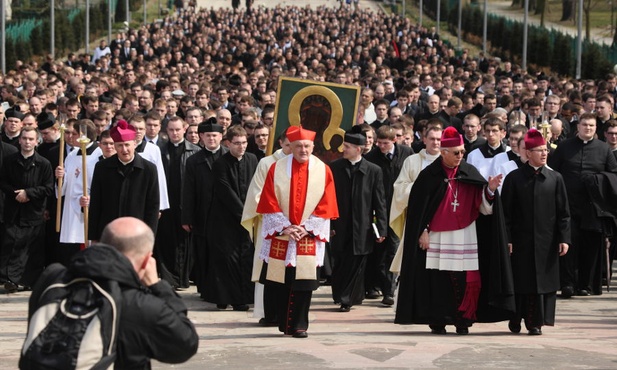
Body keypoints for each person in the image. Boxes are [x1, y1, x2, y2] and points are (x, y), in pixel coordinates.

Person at [25, 217, 199, 368]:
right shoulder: (140, 305)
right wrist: (158, 286)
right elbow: (186, 343)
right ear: (147, 260)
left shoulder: (53, 280)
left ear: (102, 244)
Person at [395, 127, 514, 334]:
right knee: (438, 280)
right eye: (456, 152)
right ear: (444, 152)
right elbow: (418, 210)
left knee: (464, 279)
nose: (461, 156)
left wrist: (490, 190)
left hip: (465, 234)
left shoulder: (469, 172)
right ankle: (439, 319)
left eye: (462, 152)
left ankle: (463, 319)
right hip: (436, 236)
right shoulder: (428, 175)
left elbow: (483, 208)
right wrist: (422, 230)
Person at [256, 126, 338, 338]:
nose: (303, 150)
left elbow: (326, 203)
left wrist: (306, 227)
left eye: (307, 146)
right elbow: (269, 200)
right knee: (282, 281)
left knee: (305, 282)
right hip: (284, 232)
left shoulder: (323, 170)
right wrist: (285, 226)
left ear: (313, 146)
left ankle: (300, 325)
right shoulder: (277, 168)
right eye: (299, 146)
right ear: (290, 147)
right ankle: (284, 323)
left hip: (307, 234)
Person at [501, 129, 571, 335]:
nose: (544, 154)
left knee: (542, 283)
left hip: (547, 242)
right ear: (528, 153)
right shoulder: (514, 178)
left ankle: (536, 323)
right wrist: (508, 239)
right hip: (520, 242)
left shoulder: (555, 178)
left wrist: (564, 238)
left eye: (545, 150)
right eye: (539, 150)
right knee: (521, 282)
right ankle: (515, 318)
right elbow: (506, 213)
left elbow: (564, 213)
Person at [549, 113, 617, 296]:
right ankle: (567, 284)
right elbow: (552, 172)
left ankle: (585, 284)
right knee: (567, 245)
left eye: (592, 126)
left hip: (593, 207)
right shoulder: (564, 147)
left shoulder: (604, 149)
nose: (588, 128)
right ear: (577, 127)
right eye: (585, 125)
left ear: (596, 129)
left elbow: (614, 175)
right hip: (567, 205)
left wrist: (597, 179)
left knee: (590, 247)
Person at [329, 132, 387, 312]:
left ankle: (348, 299)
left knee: (357, 262)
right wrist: (329, 224)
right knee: (339, 262)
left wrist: (381, 228)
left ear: (358, 149)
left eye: (347, 147)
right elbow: (328, 198)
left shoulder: (373, 170)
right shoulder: (335, 167)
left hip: (362, 227)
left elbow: (380, 202)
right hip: (339, 225)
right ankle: (340, 295)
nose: (343, 149)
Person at [203, 125, 258, 310]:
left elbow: (256, 186)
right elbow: (225, 191)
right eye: (237, 143)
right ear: (228, 143)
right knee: (226, 259)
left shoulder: (252, 159)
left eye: (244, 143)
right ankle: (223, 297)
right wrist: (244, 213)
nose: (241, 147)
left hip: (247, 218)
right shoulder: (220, 163)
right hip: (224, 220)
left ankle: (240, 299)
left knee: (244, 258)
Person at [242, 129, 292, 326]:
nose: (292, 149)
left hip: (294, 229)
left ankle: (287, 312)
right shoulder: (267, 163)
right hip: (271, 226)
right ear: (281, 143)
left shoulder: (303, 164)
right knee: (268, 268)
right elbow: (257, 195)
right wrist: (279, 218)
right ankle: (267, 312)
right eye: (288, 145)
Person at [364, 125, 413, 305]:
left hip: (399, 208)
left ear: (394, 141)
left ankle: (389, 291)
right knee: (379, 249)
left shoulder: (407, 153)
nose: (381, 146)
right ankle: (377, 285)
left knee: (393, 248)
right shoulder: (371, 157)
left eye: (385, 143)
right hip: (379, 210)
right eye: (379, 143)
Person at [0, 127, 54, 292]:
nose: (27, 142)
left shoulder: (44, 163)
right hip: (13, 210)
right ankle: (10, 280)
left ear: (37, 141)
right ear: (20, 140)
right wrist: (16, 193)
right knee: (11, 246)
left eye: (31, 139)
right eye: (24, 139)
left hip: (33, 212)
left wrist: (29, 193)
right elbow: (2, 182)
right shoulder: (10, 161)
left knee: (32, 250)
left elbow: (48, 188)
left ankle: (29, 281)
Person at [87, 120, 160, 241]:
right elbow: (96, 203)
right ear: (115, 146)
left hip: (137, 233)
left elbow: (152, 207)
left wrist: (149, 238)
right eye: (120, 145)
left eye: (127, 145)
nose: (124, 149)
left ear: (135, 144)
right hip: (109, 232)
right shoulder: (102, 167)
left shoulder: (149, 169)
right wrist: (94, 237)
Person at [181, 119, 228, 299]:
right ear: (201, 137)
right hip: (203, 213)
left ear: (221, 136)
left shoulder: (227, 155)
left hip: (224, 214)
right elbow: (188, 190)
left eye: (214, 135)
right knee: (203, 252)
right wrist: (187, 217)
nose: (211, 139)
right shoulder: (194, 160)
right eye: (207, 135)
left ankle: (221, 288)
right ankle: (205, 288)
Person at [156, 116, 200, 289]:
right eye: (171, 130)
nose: (174, 133)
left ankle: (182, 279)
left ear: (184, 129)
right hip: (166, 204)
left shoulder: (194, 151)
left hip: (184, 203)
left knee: (184, 243)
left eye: (177, 129)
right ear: (166, 131)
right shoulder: (159, 150)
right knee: (166, 241)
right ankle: (169, 280)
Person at [54, 120, 101, 264]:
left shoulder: (98, 155)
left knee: (86, 243)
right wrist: (60, 177)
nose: (69, 136)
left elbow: (101, 185)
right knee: (71, 247)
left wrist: (91, 199)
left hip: (87, 207)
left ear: (84, 135)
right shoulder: (72, 154)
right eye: (68, 133)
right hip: (70, 208)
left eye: (74, 134)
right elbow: (62, 189)